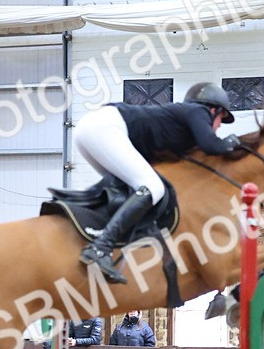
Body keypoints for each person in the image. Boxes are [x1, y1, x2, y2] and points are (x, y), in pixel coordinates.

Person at [73, 82, 242, 284]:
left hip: (91, 129)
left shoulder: (178, 127)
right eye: (220, 120)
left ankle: (96, 231)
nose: (219, 126)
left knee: (127, 187)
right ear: (213, 109)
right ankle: (101, 247)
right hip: (105, 127)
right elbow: (211, 145)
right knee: (153, 187)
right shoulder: (198, 110)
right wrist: (235, 142)